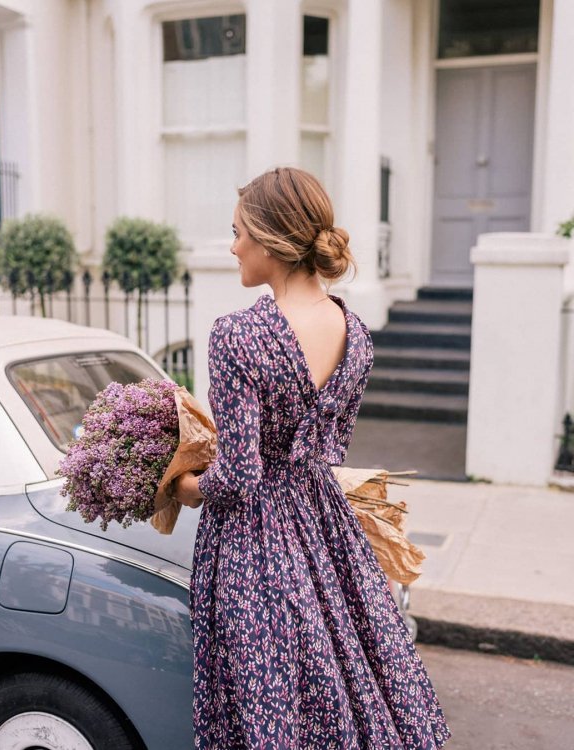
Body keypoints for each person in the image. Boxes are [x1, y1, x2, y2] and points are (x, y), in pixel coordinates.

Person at [174, 167, 451, 749]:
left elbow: (241, 477)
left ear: (272, 239)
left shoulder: (238, 335)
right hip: (325, 524)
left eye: (238, 231)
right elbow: (330, 450)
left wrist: (181, 487)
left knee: (268, 704)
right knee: (343, 684)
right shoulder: (356, 330)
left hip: (255, 548)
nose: (232, 246)